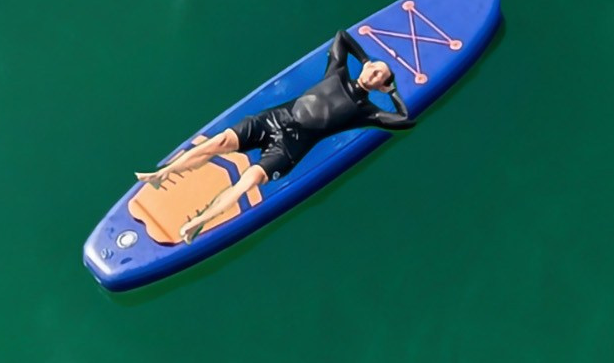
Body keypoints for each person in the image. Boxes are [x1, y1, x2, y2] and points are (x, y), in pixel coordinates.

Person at [136, 30, 416, 241]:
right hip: (274, 118)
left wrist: (392, 91)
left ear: (380, 86)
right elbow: (342, 37)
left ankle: (199, 221)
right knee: (219, 142)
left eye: (381, 75)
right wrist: (366, 58)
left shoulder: (364, 110)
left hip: (291, 147)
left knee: (249, 181)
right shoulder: (337, 72)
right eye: (374, 67)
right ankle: (162, 173)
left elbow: (404, 120)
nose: (374, 71)